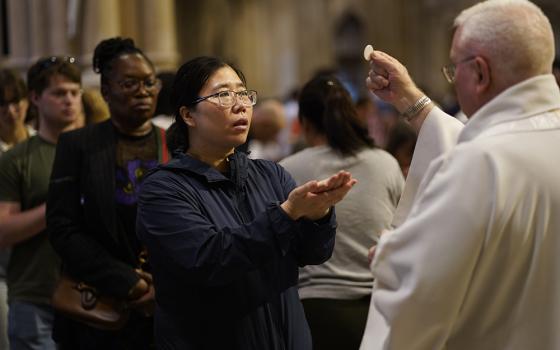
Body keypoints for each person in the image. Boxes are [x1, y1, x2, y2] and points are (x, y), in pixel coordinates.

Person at [360, 1, 560, 349]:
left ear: (480, 73)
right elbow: (481, 146)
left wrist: (392, 254)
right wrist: (412, 100)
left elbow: (419, 293)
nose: (452, 81)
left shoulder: (479, 163)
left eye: (453, 69)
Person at [136, 56, 357, 349]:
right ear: (189, 115)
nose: (240, 104)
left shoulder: (271, 174)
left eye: (243, 93)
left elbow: (314, 254)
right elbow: (210, 260)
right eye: (223, 95)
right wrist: (288, 214)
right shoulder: (163, 188)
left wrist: (318, 215)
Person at [47, 37, 166, 349]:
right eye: (129, 83)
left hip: (166, 310)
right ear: (105, 91)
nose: (142, 91)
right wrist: (130, 283)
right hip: (99, 308)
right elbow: (62, 227)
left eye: (149, 82)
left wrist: (163, 287)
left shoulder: (176, 144)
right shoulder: (78, 145)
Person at [279, 75, 404, 350]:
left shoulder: (287, 168)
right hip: (380, 307)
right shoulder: (385, 162)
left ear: (305, 124)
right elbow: (404, 229)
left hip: (315, 310)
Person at [0, 56, 82, 349]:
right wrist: (55, 207)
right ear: (35, 98)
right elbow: (4, 230)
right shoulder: (16, 159)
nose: (69, 101)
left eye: (74, 92)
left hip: (92, 294)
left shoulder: (96, 150)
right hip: (36, 297)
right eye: (59, 93)